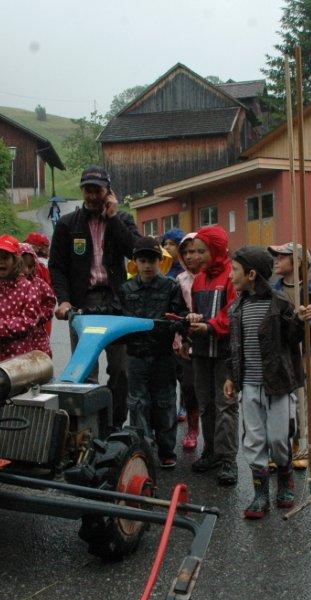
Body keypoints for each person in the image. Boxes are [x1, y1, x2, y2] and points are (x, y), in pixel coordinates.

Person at [224, 247, 311, 518]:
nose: (231, 275)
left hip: (279, 384)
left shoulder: (280, 302)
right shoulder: (237, 307)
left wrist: (301, 321)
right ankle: (260, 494)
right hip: (249, 385)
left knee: (278, 438)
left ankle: (285, 477)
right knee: (254, 440)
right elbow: (234, 346)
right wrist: (231, 376)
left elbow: (293, 339)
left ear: (251, 274)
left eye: (235, 270)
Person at [49, 166, 140, 428]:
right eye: (87, 190)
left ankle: (115, 424)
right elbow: (56, 267)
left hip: (116, 303)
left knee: (121, 369)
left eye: (97, 190)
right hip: (82, 304)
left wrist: (113, 217)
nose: (91, 196)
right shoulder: (67, 225)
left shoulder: (122, 220)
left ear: (108, 192)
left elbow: (135, 251)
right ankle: (91, 428)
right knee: (86, 369)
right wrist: (64, 300)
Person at [114, 237, 188, 468]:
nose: (147, 265)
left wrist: (180, 325)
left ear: (159, 261)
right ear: (135, 262)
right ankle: (143, 450)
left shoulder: (171, 287)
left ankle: (167, 450)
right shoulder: (125, 289)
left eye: (152, 261)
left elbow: (181, 315)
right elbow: (115, 317)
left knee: (164, 402)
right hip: (135, 356)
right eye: (142, 260)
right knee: (138, 403)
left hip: (163, 355)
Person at [268, 241, 311, 469]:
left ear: (297, 262)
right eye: (275, 257)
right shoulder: (273, 292)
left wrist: (310, 321)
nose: (276, 260)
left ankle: (300, 446)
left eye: (281, 257)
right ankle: (278, 447)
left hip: (302, 353)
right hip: (279, 352)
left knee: (300, 399)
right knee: (278, 398)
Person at [186, 225, 239, 486]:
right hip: (201, 352)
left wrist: (209, 326)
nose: (194, 256)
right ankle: (211, 452)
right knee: (205, 404)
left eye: (201, 251)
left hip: (225, 353)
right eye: (192, 251)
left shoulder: (231, 275)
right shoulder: (198, 279)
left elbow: (233, 313)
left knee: (225, 405)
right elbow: (196, 311)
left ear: (216, 250)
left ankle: (228, 459)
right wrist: (191, 321)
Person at [0, 235, 52, 374]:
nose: (0, 262)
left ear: (16, 260)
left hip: (16, 360)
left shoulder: (27, 288)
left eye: (5, 258)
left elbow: (29, 320)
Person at [176, 233, 202, 451]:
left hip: (210, 338)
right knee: (188, 386)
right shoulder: (180, 280)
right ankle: (193, 428)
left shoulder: (216, 277)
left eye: (196, 251)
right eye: (186, 252)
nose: (191, 256)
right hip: (185, 341)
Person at [21, 243, 56, 353]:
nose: (26, 271)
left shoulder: (39, 284)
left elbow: (50, 302)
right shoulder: (8, 284)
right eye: (22, 266)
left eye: (30, 267)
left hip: (36, 337)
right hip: (15, 339)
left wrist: (39, 316)